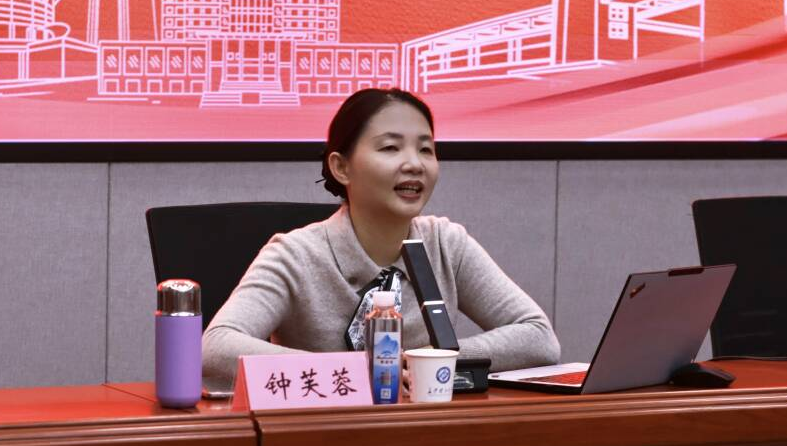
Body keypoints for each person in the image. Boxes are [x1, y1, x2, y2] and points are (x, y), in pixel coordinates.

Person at [201, 88, 560, 385]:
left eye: (426, 149)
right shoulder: (295, 255)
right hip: (319, 434)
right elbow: (214, 349)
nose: (414, 164)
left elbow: (539, 337)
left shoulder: (445, 244)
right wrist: (354, 373)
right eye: (390, 148)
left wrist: (433, 360)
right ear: (341, 167)